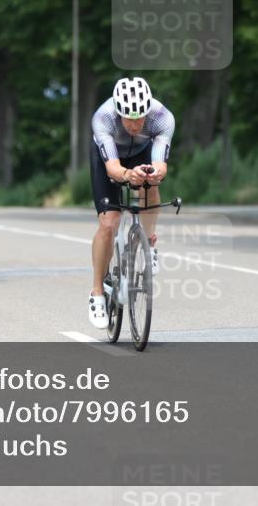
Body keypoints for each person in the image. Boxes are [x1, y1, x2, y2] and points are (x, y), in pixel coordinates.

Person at [88, 77, 175, 329]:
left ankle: (149, 242)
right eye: (129, 118)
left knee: (151, 184)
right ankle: (96, 294)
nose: (135, 124)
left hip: (142, 152)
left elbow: (160, 163)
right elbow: (113, 168)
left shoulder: (162, 118)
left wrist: (155, 173)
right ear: (118, 112)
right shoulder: (103, 118)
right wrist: (128, 175)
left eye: (140, 118)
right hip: (110, 157)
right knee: (109, 222)